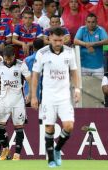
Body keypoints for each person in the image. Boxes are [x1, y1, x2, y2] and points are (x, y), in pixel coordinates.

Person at [31, 27, 80, 168]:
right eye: (55, 40)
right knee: (49, 127)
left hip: (64, 96)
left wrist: (77, 89)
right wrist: (34, 96)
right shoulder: (42, 53)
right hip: (48, 97)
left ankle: (58, 149)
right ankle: (51, 159)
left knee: (69, 126)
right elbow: (35, 75)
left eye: (60, 40)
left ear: (64, 38)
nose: (58, 43)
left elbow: (74, 72)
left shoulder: (70, 52)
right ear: (49, 38)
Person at [0, 45, 32, 161]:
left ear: (14, 56)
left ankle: (17, 154)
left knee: (19, 128)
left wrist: (30, 94)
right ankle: (5, 148)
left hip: (18, 101)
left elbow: (30, 80)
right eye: (6, 58)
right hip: (3, 100)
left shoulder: (21, 65)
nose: (8, 61)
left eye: (10, 58)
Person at [24, 38, 44, 107]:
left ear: (33, 48)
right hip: (42, 94)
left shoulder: (26, 60)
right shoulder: (46, 60)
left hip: (28, 93)